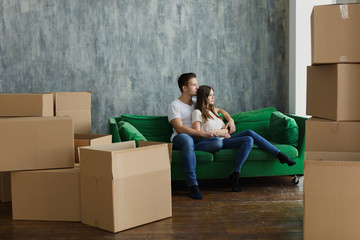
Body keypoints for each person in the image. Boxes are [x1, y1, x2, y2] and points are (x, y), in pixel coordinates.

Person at [192, 85, 297, 192]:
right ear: (203, 97)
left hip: (224, 140)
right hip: (212, 142)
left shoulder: (213, 111)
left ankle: (237, 173)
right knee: (244, 138)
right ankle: (280, 156)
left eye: (213, 95)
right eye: (210, 95)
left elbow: (225, 127)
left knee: (249, 136)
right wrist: (216, 133)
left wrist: (230, 121)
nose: (213, 97)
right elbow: (197, 134)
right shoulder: (197, 112)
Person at [168, 73, 236, 200]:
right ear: (184, 88)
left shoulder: (196, 103)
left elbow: (219, 110)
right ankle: (193, 185)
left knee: (217, 142)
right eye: (194, 84)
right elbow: (179, 128)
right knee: (188, 141)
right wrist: (203, 134)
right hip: (181, 137)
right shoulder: (174, 105)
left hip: (198, 140)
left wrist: (230, 119)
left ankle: (192, 150)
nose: (197, 87)